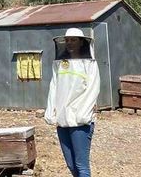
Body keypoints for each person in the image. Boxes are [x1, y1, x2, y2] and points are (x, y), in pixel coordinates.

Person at [45, 28, 100, 177]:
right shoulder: (59, 63)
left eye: (73, 40)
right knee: (70, 164)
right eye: (67, 40)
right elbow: (54, 86)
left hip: (81, 120)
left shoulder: (89, 64)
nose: (69, 43)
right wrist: (50, 111)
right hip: (62, 119)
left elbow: (93, 88)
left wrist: (83, 113)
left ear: (81, 42)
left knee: (81, 165)